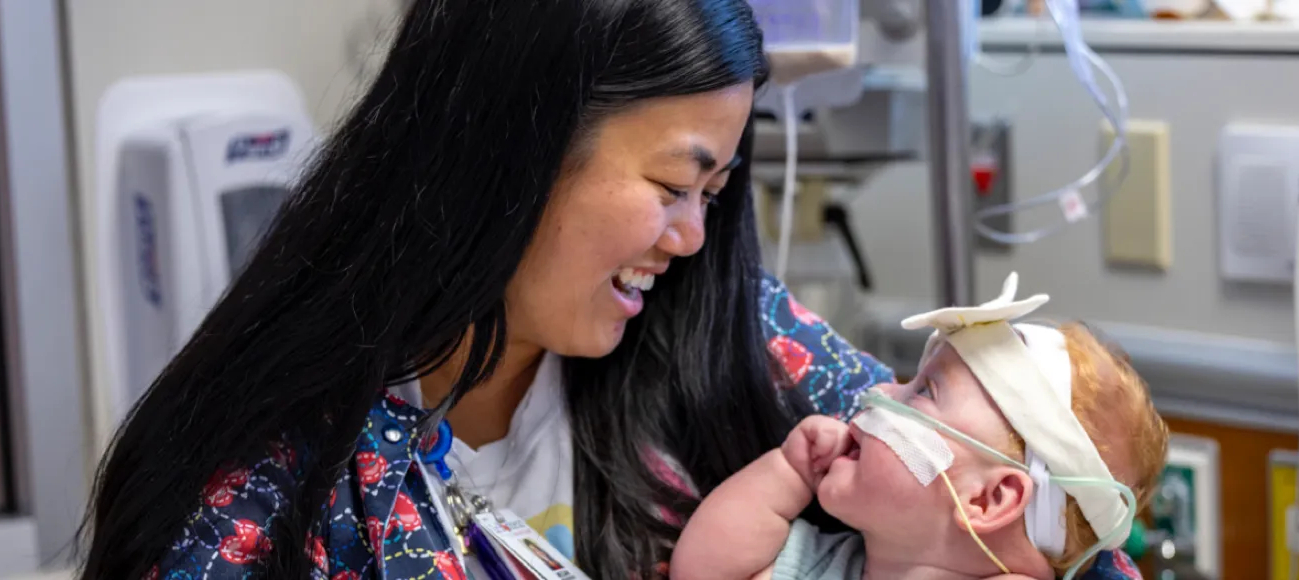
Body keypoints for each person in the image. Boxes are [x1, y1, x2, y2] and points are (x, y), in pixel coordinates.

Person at [77, 2, 1144, 579]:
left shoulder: (728, 334)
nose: (690, 239)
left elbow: (1031, 515)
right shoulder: (269, 484)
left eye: (716, 193)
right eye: (675, 185)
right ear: (511, 152)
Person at [672, 276, 1169, 580]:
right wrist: (786, 472)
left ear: (987, 501)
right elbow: (703, 571)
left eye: (923, 393)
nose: (880, 393)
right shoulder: (821, 564)